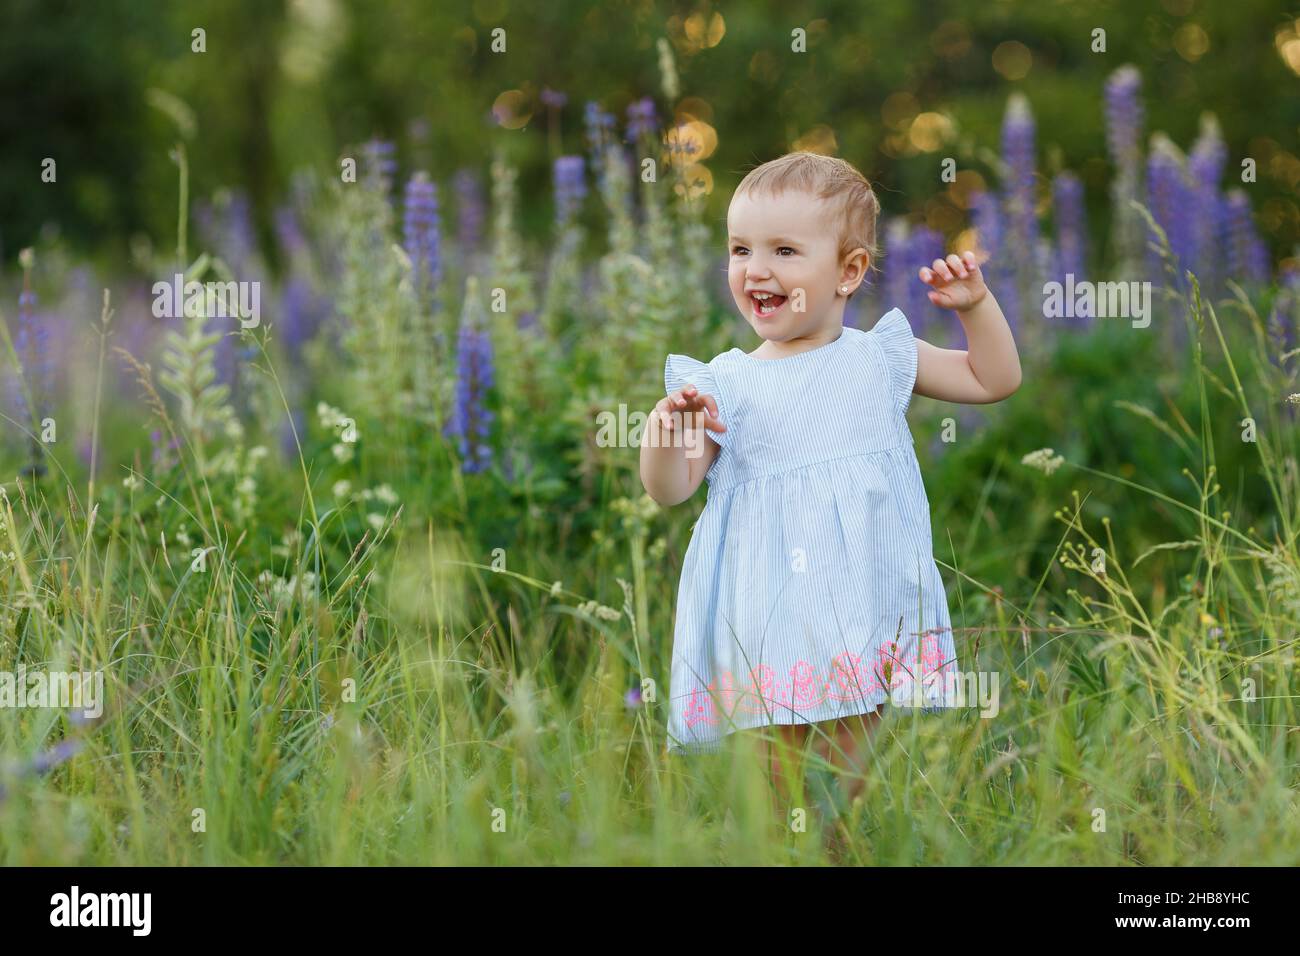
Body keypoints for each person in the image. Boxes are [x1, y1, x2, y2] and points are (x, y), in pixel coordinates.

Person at [639, 151, 1023, 837]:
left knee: (845, 778)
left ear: (848, 271)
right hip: (763, 617)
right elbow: (672, 490)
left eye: (784, 250)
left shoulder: (880, 358)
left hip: (861, 607)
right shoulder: (725, 383)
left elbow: (992, 380)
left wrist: (978, 307)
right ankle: (783, 845)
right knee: (775, 779)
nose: (756, 269)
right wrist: (663, 434)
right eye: (740, 249)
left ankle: (834, 843)